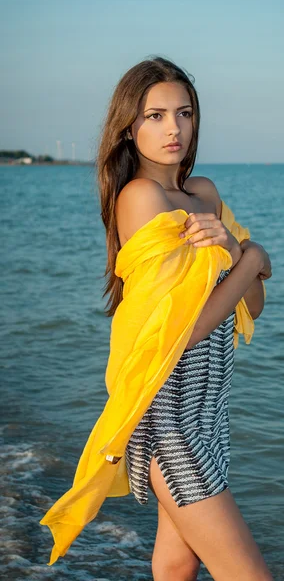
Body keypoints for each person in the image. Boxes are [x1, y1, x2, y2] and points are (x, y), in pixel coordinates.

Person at [96, 55, 273, 581]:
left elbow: (252, 307)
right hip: (168, 420)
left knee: (176, 565)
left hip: (211, 413)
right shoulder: (140, 197)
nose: (173, 128)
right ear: (129, 128)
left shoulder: (204, 194)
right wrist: (255, 256)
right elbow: (186, 333)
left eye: (184, 113)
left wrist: (238, 257)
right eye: (155, 115)